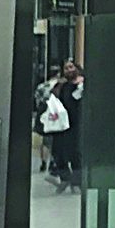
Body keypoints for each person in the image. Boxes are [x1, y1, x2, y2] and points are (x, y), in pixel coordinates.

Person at [48, 60, 84, 193]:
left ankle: (76, 182)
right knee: (59, 153)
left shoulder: (83, 85)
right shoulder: (61, 86)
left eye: (71, 67)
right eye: (66, 68)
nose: (69, 70)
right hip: (61, 125)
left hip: (77, 125)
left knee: (76, 154)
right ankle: (65, 178)